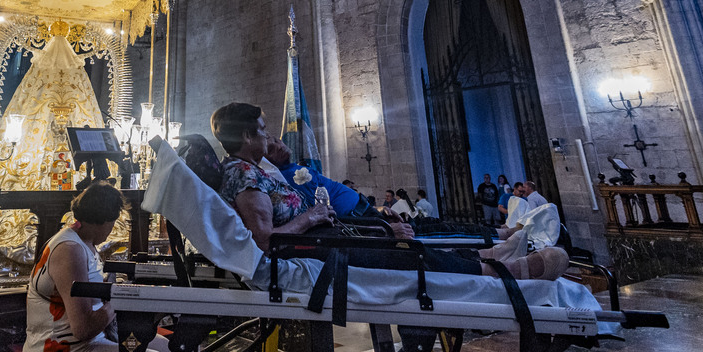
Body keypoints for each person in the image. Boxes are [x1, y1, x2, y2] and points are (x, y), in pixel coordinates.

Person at [210, 102, 567, 280]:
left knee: (403, 242)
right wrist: (310, 217)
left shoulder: (255, 171)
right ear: (245, 137)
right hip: (316, 250)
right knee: (403, 252)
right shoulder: (243, 175)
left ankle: (488, 259)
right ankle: (497, 272)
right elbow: (263, 240)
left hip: (327, 237)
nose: (268, 135)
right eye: (260, 130)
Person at [19, 182, 170, 352]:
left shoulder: (83, 240)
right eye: (113, 222)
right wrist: (120, 298)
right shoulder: (69, 249)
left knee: (168, 349)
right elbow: (83, 328)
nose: (112, 229)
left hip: (89, 343)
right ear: (104, 220)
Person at [263, 138, 383, 221]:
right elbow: (319, 208)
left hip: (364, 210)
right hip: (359, 219)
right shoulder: (290, 176)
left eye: (275, 140)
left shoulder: (293, 168)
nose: (279, 145)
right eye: (271, 149)